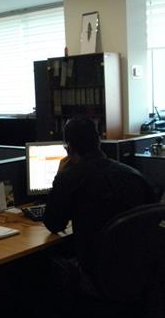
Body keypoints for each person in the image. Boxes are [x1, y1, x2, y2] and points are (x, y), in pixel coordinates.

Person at [43, 116, 156, 287]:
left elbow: (54, 224)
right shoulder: (132, 175)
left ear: (69, 148)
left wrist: (60, 176)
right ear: (99, 141)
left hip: (97, 273)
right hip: (137, 270)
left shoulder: (69, 178)